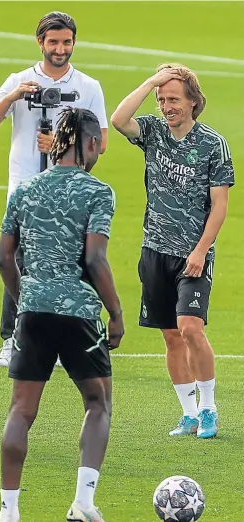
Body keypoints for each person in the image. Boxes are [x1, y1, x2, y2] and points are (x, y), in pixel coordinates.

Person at [0, 108, 124, 522]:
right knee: (98, 403)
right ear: (89, 144)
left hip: (31, 312)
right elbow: (95, 259)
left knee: (21, 411)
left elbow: (3, 257)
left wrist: (25, 296)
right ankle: (83, 504)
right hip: (80, 314)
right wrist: (115, 312)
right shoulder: (98, 192)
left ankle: (9, 511)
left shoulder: (25, 190)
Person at [110, 63, 234, 439]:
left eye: (174, 99)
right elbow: (118, 119)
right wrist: (151, 82)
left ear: (194, 102)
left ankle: (209, 407)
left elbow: (220, 206)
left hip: (193, 254)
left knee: (190, 328)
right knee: (170, 336)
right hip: (154, 251)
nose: (167, 106)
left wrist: (201, 251)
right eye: (163, 99)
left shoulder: (213, 144)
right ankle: (189, 414)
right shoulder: (152, 131)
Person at [0, 11, 108, 368]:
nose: (60, 49)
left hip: (69, 189)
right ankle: (13, 338)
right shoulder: (19, 79)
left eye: (66, 42)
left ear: (73, 42)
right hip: (25, 187)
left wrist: (59, 145)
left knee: (68, 263)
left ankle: (66, 340)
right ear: (40, 43)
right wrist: (12, 97)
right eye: (53, 42)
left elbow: (102, 143)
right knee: (19, 261)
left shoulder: (88, 86)